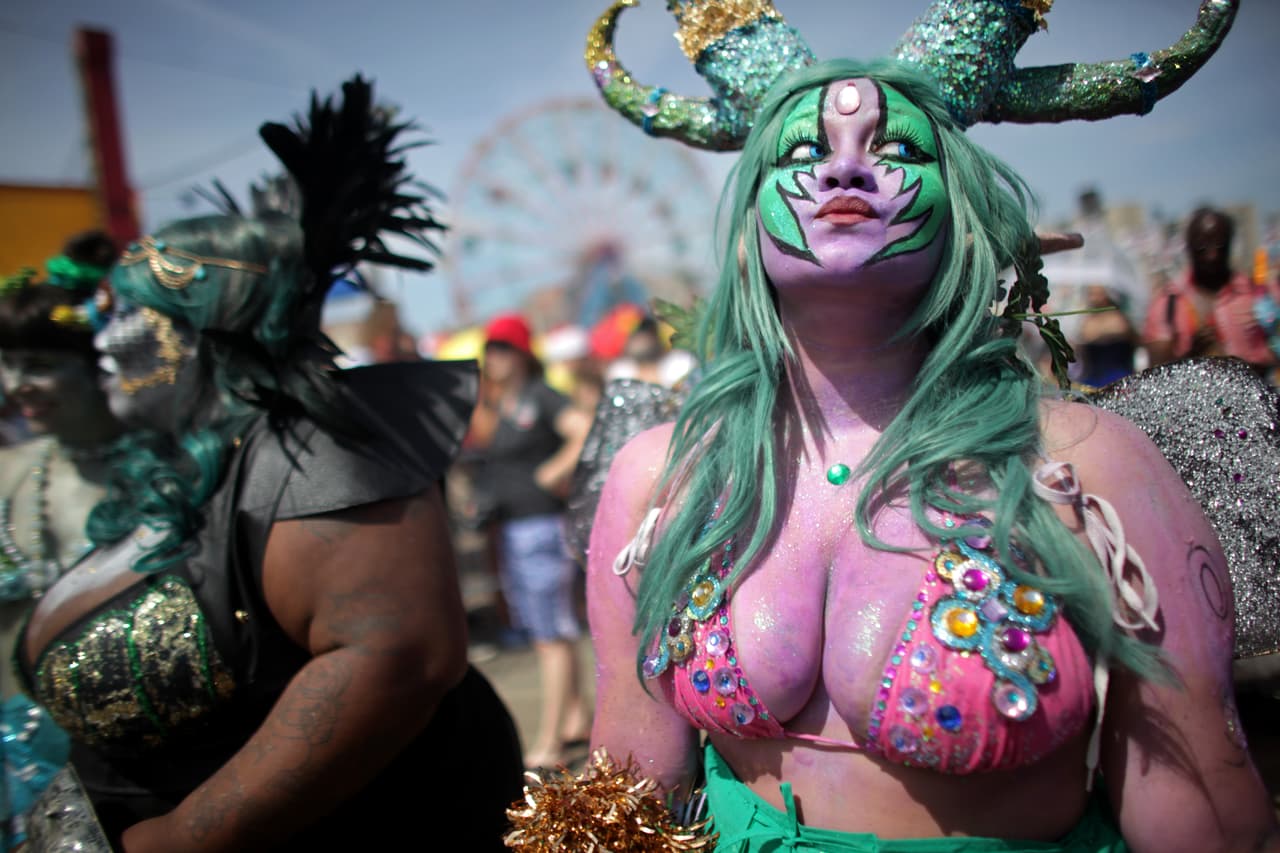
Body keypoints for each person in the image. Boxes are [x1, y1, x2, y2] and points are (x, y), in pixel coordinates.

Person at [580, 56, 1280, 851]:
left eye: (899, 151)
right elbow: (635, 784)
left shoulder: (1086, 466)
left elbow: (1201, 810)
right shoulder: (664, 479)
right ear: (747, 231)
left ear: (964, 218)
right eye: (804, 152)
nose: (847, 166)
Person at [14, 77, 523, 851]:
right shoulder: (180, 475)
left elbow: (396, 656)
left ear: (207, 330)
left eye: (132, 313)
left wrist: (182, 835)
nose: (104, 340)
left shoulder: (311, 448)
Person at [0, 266, 124, 848]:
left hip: (121, 771)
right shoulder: (7, 476)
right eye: (9, 363)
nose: (16, 382)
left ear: (97, 365)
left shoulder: (164, 478)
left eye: (41, 365)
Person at [476, 312, 593, 769]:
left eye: (503, 348)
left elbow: (583, 429)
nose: (494, 357)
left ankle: (549, 743)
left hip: (541, 528)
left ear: (523, 354)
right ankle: (575, 718)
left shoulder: (540, 396)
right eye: (490, 348)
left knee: (550, 637)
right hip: (518, 530)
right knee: (550, 631)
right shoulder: (505, 403)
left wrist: (553, 472)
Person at [1143, 207, 1279, 375]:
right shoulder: (1167, 304)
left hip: (1260, 394)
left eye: (1220, 246)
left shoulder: (1257, 293)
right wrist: (1192, 357)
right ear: (1188, 246)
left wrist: (1241, 369)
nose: (1212, 255)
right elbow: (1156, 373)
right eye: (1202, 247)